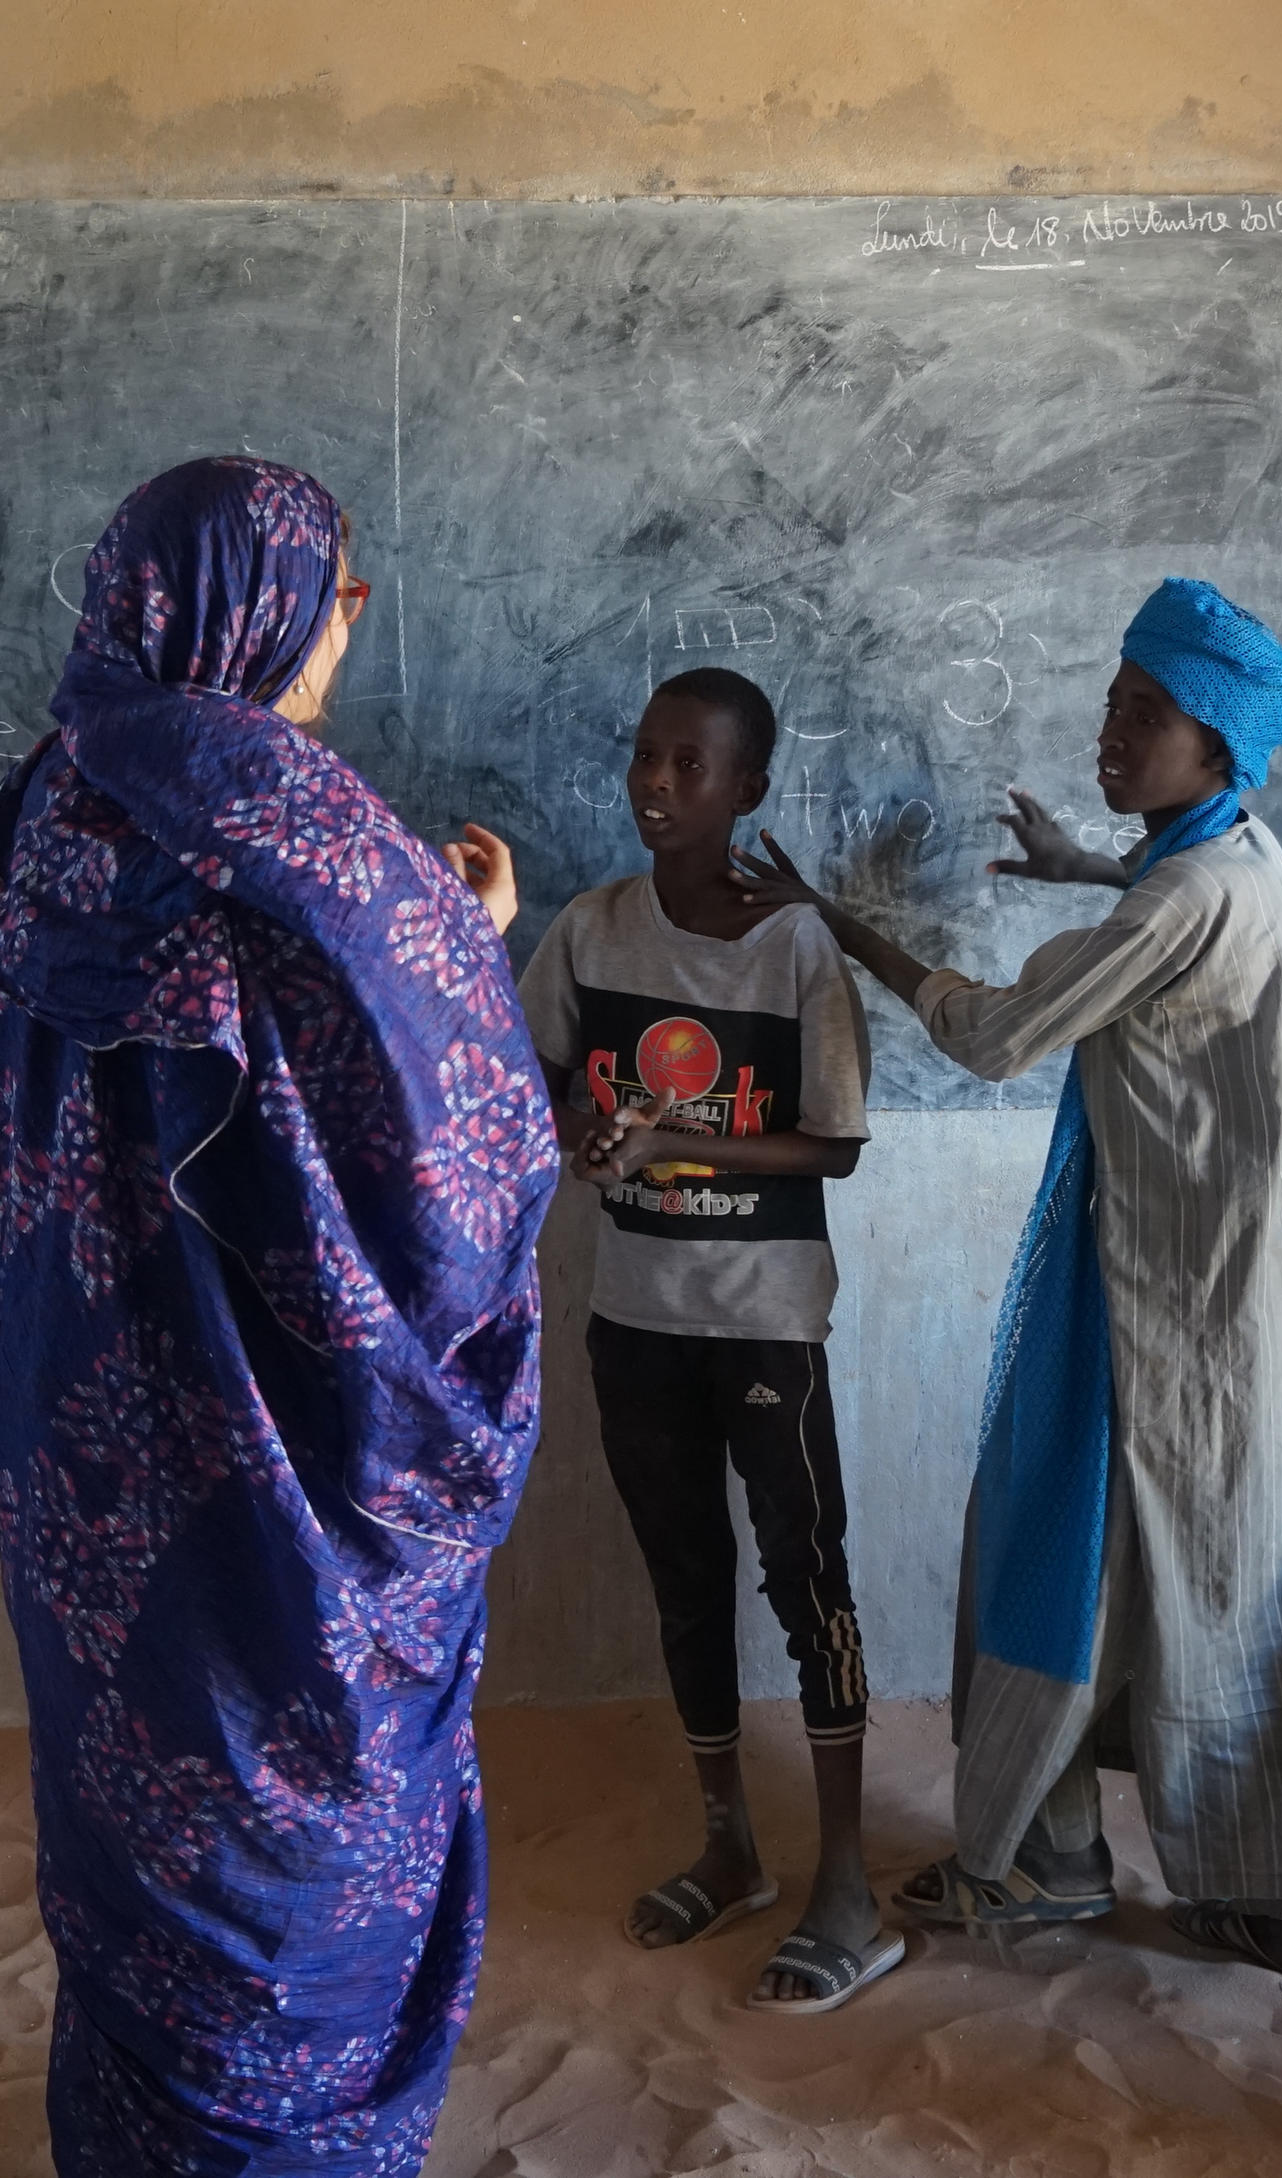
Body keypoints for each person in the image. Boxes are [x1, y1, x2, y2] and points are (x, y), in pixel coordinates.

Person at [0, 455, 556, 2176]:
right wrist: (466, 941)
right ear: (278, 608)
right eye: (341, 597)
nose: (345, 632)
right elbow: (461, 1196)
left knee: (140, 1801)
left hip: (86, 1445)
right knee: (295, 1822)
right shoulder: (318, 840)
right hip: (288, 1499)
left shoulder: (43, 810)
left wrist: (428, 937)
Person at [732, 577, 1282, 1998]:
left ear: (1220, 751)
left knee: (1098, 1543)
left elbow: (997, 1035)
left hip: (1202, 1290)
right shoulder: (1226, 860)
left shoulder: (1197, 890)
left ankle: (1073, 1854)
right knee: (1218, 1564)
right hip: (1238, 1278)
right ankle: (1251, 1889)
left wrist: (843, 922)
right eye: (1114, 702)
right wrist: (1094, 866)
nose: (1114, 731)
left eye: (1149, 717)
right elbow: (1165, 910)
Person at [518, 666, 897, 2014]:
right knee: (686, 1580)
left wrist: (677, 1134)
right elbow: (533, 1079)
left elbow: (837, 1145)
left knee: (807, 1580)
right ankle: (728, 1840)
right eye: (645, 756)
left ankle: (844, 1877)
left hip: (764, 1318)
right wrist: (572, 1125)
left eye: (690, 764)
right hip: (637, 1313)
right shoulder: (591, 929)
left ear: (747, 790)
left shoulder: (793, 945)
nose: (656, 784)